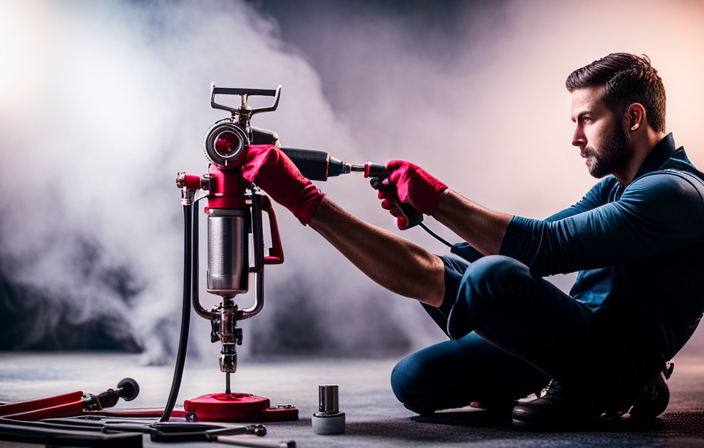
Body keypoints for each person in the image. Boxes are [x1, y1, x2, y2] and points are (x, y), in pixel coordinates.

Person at [240, 53, 704, 429]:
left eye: (586, 119)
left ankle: (623, 388)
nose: (576, 138)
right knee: (415, 380)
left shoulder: (674, 192)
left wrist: (439, 199)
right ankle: (563, 377)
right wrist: (308, 201)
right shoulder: (616, 186)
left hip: (619, 361)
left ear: (634, 117)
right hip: (576, 339)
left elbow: (543, 247)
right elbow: (520, 246)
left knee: (490, 275)